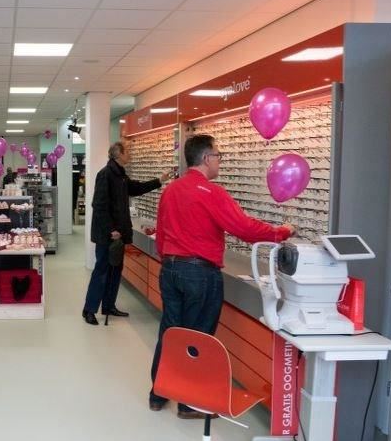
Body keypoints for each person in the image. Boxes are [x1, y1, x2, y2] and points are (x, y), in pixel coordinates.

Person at [149, 134, 295, 419]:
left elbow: (162, 231)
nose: (220, 161)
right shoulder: (212, 193)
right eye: (218, 156)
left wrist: (168, 261)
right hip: (200, 274)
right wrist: (281, 232)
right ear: (206, 158)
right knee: (198, 337)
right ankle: (189, 402)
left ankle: (158, 393)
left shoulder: (170, 190)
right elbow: (244, 228)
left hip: (171, 269)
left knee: (170, 331)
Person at [82, 142, 171, 325]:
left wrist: (159, 180)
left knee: (116, 270)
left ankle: (109, 306)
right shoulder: (106, 174)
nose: (129, 154)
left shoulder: (120, 175)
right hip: (108, 235)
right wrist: (111, 229)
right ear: (119, 154)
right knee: (102, 271)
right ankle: (89, 310)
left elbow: (136, 188)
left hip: (119, 233)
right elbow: (98, 206)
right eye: (127, 151)